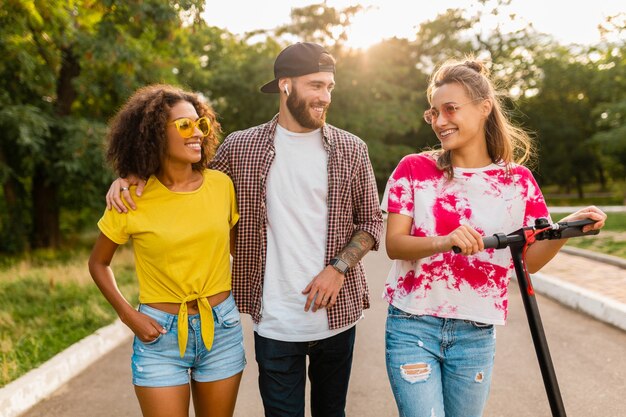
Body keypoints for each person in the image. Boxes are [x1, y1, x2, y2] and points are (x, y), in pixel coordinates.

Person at [106, 42, 384, 417]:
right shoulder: (241, 147)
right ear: (286, 85)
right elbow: (185, 176)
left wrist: (338, 269)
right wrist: (131, 174)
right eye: (316, 85)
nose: (325, 96)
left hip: (337, 317)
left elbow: (371, 222)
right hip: (274, 320)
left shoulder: (351, 149)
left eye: (330, 87)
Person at [381, 58, 607, 417]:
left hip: (475, 331)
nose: (440, 121)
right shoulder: (415, 169)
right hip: (413, 325)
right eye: (433, 113)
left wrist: (566, 229)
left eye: (450, 109)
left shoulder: (517, 183)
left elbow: (527, 260)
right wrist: (445, 240)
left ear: (484, 107)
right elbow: (395, 244)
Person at [89, 84, 245, 417]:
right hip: (158, 336)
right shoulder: (130, 197)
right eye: (184, 125)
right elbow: (99, 263)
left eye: (200, 124)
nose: (197, 134)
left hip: (222, 330)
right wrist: (129, 316)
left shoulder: (221, 186)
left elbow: (233, 247)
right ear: (155, 134)